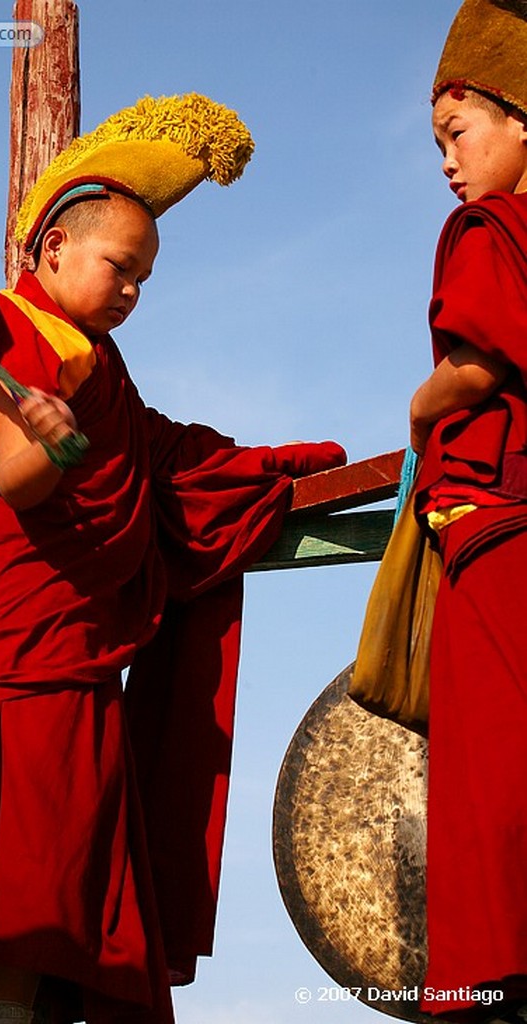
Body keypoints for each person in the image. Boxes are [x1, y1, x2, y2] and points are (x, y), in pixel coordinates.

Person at [0, 93, 346, 1024]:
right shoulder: (4, 336)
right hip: (10, 652)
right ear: (52, 252)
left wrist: (266, 467)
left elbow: (152, 454)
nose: (129, 292)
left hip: (74, 661)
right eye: (118, 266)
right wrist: (48, 424)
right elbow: (20, 481)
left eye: (144, 278)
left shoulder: (97, 363)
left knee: (52, 897)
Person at [409, 3, 527, 1021]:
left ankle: (487, 986)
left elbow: (479, 362)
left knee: (488, 793)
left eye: (458, 134)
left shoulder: (485, 231)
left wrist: (418, 401)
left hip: (493, 542)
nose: (447, 166)